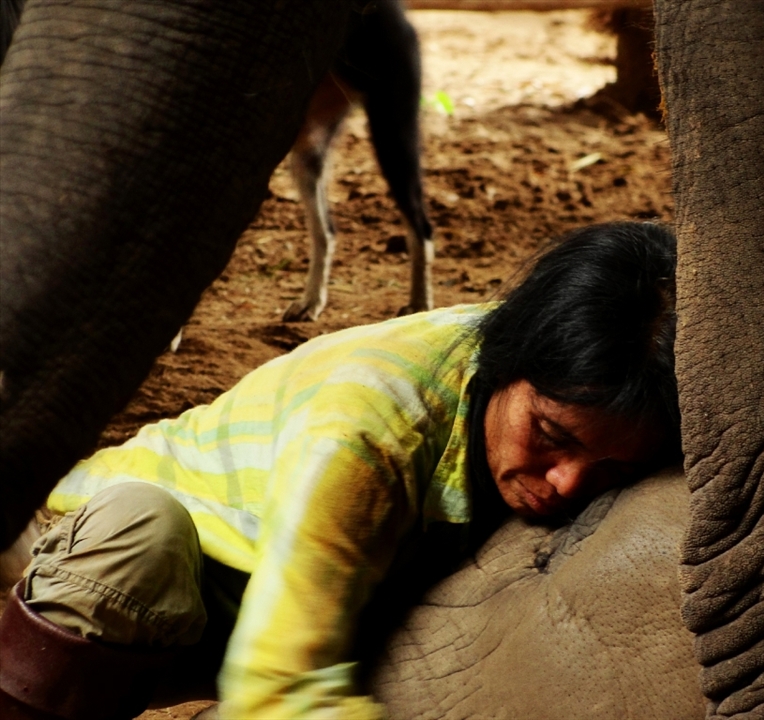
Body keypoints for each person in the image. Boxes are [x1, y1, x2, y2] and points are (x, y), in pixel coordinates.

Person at [0, 221, 680, 720]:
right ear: (508, 360)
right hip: (112, 564)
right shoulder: (369, 427)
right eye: (550, 436)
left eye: (612, 466)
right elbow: (282, 686)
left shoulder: (568, 384)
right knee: (140, 531)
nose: (567, 483)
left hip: (297, 595)